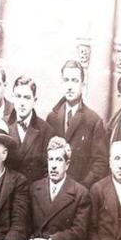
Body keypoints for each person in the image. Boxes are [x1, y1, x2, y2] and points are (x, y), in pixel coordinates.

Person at [45, 60, 108, 188]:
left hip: (80, 193)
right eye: (66, 80)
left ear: (83, 85)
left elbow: (100, 164)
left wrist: (82, 188)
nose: (69, 86)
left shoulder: (93, 121)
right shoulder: (52, 118)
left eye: (74, 80)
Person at [4, 75, 51, 183]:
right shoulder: (2, 125)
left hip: (32, 194)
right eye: (18, 96)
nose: (22, 103)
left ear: (34, 100)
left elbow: (46, 172)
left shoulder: (46, 131)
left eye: (27, 97)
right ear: (13, 98)